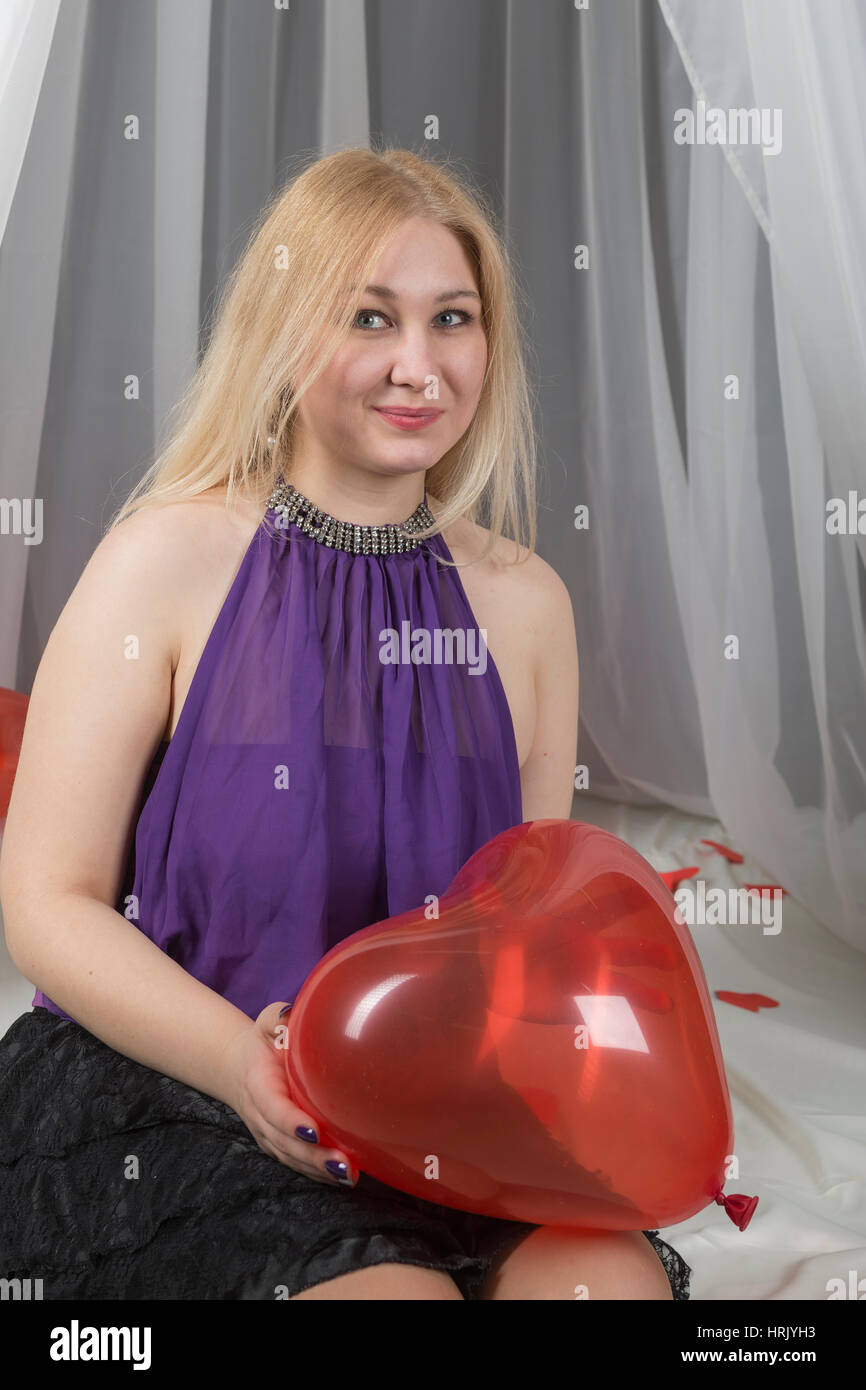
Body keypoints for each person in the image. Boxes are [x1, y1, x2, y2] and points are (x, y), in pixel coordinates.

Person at [0, 145, 690, 1301]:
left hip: (437, 1095)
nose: (417, 366)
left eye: (451, 320)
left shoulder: (526, 605)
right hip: (178, 1084)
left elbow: (516, 937)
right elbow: (44, 905)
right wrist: (242, 1059)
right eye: (369, 317)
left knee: (604, 1291)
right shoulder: (162, 561)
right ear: (284, 333)